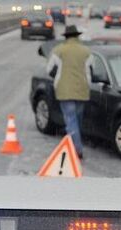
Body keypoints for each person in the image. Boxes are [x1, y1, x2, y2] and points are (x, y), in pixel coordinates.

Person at [46, 25, 93, 159]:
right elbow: (91, 71)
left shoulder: (59, 50)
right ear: (77, 36)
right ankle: (74, 144)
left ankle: (77, 150)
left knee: (70, 120)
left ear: (66, 37)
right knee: (77, 120)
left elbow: (49, 70)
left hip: (64, 90)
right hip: (82, 90)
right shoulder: (86, 51)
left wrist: (58, 79)